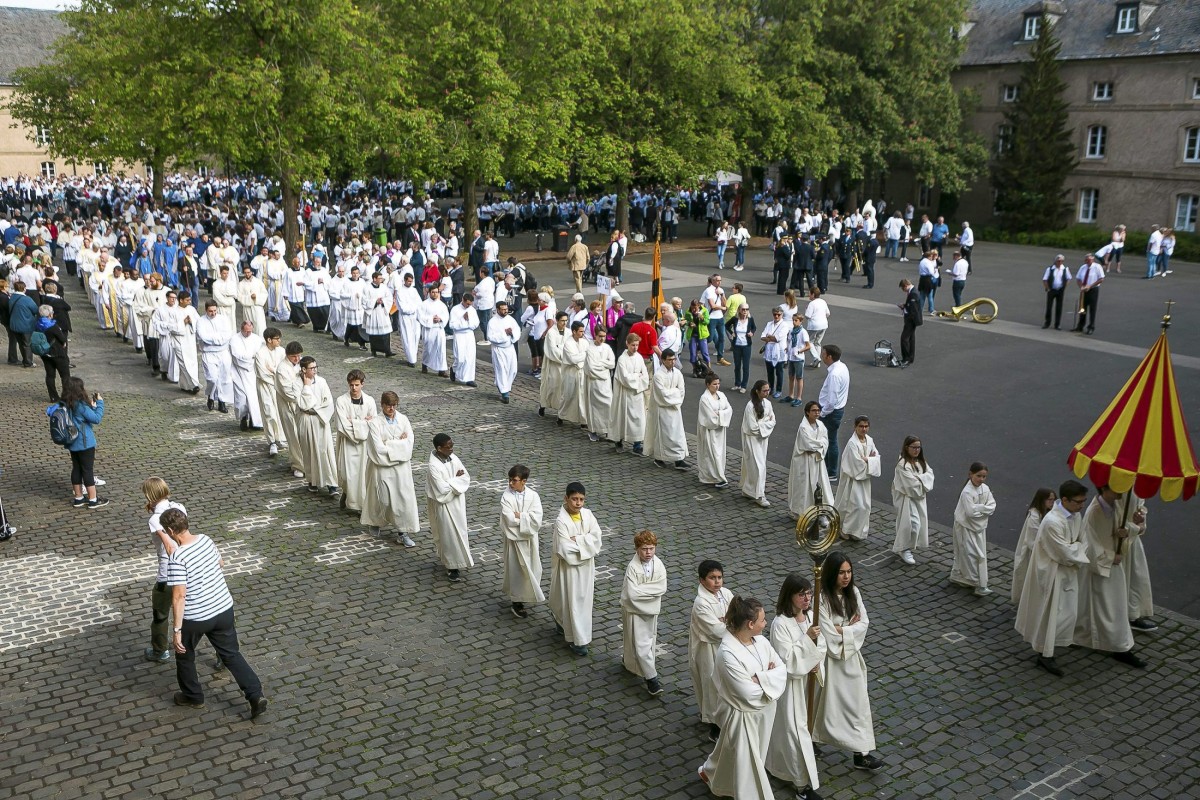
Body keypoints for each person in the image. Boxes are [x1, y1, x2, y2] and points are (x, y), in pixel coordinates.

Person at [162, 508, 268, 721]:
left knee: (184, 653)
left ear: (171, 531)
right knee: (231, 654)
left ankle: (193, 695)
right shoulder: (206, 540)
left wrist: (176, 630)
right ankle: (255, 695)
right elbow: (220, 563)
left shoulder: (177, 557)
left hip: (197, 616)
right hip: (223, 608)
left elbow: (179, 597)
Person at [697, 595, 787, 797]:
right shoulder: (728, 653)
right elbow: (747, 693)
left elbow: (782, 670)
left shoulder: (762, 641)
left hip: (764, 712)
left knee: (733, 752)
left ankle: (712, 774)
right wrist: (769, 678)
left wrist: (759, 678)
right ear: (750, 624)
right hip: (742, 717)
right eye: (763, 620)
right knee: (749, 766)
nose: (766, 623)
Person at [812, 552, 883, 772]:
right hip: (830, 662)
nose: (846, 577)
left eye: (849, 572)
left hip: (851, 660)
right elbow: (827, 633)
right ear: (832, 574)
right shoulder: (821, 598)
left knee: (857, 705)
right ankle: (811, 740)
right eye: (841, 572)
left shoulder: (854, 593)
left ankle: (861, 753)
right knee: (823, 705)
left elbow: (865, 623)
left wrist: (842, 629)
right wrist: (848, 629)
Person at [1014, 480, 1091, 677]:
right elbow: (1064, 552)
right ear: (1064, 500)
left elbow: (1083, 540)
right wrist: (1076, 547)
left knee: (1068, 612)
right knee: (1049, 614)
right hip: (1051, 575)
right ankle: (1044, 652)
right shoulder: (1052, 522)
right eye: (1078, 501)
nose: (1082, 506)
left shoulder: (1076, 515)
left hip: (1067, 572)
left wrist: (1075, 547)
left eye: (1083, 501)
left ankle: (1059, 640)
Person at [765, 574, 827, 800]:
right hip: (790, 687)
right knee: (791, 731)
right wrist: (807, 640)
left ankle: (786, 765)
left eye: (809, 593)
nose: (807, 598)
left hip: (809, 682)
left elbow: (823, 644)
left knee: (801, 728)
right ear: (789, 596)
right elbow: (787, 660)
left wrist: (816, 661)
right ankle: (800, 783)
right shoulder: (780, 624)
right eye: (801, 594)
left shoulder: (812, 616)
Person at [1073, 486, 1148, 669]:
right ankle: (1120, 648)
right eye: (1116, 489)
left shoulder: (1113, 505)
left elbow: (1122, 527)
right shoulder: (1095, 511)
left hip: (1111, 564)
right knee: (1110, 606)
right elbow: (1089, 544)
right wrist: (1109, 557)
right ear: (1105, 489)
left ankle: (1113, 644)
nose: (1120, 493)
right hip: (1102, 565)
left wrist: (1134, 528)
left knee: (1110, 605)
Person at [549, 481, 602, 656]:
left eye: (581, 499)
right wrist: (585, 541)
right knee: (572, 602)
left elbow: (597, 538)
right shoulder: (560, 521)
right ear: (566, 498)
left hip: (586, 569)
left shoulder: (588, 515)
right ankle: (578, 640)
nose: (578, 503)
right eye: (574, 499)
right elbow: (564, 548)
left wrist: (577, 539)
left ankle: (564, 623)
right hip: (569, 570)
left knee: (583, 602)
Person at [360, 391, 418, 548]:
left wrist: (390, 444)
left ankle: (402, 532)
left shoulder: (403, 419)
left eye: (394, 405)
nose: (391, 409)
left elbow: (410, 443)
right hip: (382, 468)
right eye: (388, 406)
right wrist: (399, 443)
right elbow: (378, 448)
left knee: (402, 500)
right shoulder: (374, 423)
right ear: (382, 405)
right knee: (382, 498)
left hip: (401, 468)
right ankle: (375, 522)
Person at [142, 477, 186, 663]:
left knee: (160, 615)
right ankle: (221, 655)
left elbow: (169, 546)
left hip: (167, 575)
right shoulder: (180, 508)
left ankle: (160, 651)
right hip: (187, 570)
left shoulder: (155, 520)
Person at [690, 560, 733, 742]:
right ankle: (714, 726)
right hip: (708, 649)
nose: (717, 582)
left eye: (719, 577)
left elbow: (736, 613)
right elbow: (715, 630)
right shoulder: (701, 603)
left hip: (726, 646)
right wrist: (729, 625)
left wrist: (727, 622)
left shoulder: (726, 594)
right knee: (711, 684)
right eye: (712, 578)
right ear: (702, 580)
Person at [620, 530, 668, 697]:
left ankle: (629, 661)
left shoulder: (659, 565)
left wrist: (642, 591)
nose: (648, 553)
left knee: (648, 641)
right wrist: (651, 595)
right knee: (639, 643)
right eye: (644, 549)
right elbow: (632, 594)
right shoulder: (632, 567)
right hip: (634, 610)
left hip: (650, 611)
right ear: (637, 549)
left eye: (651, 548)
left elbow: (662, 587)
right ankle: (651, 679)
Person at [426, 433, 473, 582]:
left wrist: (451, 482)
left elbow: (465, 478)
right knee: (447, 534)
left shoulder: (454, 458)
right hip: (443, 506)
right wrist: (455, 480)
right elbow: (441, 489)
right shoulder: (433, 466)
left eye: (452, 445)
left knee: (460, 531)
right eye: (448, 447)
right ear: (439, 448)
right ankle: (451, 566)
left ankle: (459, 560)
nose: (452, 449)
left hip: (457, 504)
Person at [500, 464, 545, 618]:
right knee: (516, 570)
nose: (511, 483)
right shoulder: (506, 496)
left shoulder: (533, 496)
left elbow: (537, 519)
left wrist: (520, 516)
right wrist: (525, 517)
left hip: (530, 540)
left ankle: (527, 594)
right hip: (514, 541)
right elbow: (509, 519)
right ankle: (517, 601)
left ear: (524, 481)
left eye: (514, 480)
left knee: (531, 568)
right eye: (510, 480)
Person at [59, 377, 108, 509]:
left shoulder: (64, 403)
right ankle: (93, 499)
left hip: (72, 442)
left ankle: (78, 498)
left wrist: (90, 407)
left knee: (76, 468)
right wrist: (100, 404)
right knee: (87, 470)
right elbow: (96, 419)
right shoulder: (80, 405)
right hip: (85, 443)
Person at [949, 462, 997, 596]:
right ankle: (974, 581)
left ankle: (964, 576)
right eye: (978, 476)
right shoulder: (967, 492)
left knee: (977, 554)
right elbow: (970, 513)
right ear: (970, 475)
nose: (981, 479)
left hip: (978, 528)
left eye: (984, 476)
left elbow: (992, 505)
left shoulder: (985, 489)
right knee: (968, 553)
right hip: (965, 527)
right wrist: (983, 509)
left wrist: (979, 508)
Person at [295, 356, 339, 494]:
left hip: (320, 420)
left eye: (315, 367)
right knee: (309, 451)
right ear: (303, 369)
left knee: (325, 451)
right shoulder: (296, 384)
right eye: (311, 368)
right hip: (306, 419)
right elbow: (304, 404)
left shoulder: (322, 381)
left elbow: (328, 402)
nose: (315, 370)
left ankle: (331, 483)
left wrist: (317, 409)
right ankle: (312, 481)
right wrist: (307, 387)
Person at [334, 369, 376, 513]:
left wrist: (355, 422)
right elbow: (342, 426)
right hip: (348, 443)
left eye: (357, 385)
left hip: (364, 446)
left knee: (362, 475)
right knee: (347, 474)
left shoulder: (369, 401)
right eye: (351, 385)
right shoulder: (341, 401)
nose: (354, 388)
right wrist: (363, 423)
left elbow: (374, 422)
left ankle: (361, 506)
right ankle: (346, 492)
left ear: (362, 384)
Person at [834, 416, 881, 542]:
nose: (863, 429)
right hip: (852, 481)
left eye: (866, 426)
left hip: (864, 482)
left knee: (864, 506)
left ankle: (856, 531)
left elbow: (876, 457)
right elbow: (855, 464)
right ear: (855, 427)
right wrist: (868, 461)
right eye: (861, 426)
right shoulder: (852, 444)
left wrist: (867, 460)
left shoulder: (870, 441)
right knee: (854, 505)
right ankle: (845, 529)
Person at [891, 436, 934, 565]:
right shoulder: (902, 464)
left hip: (917, 498)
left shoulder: (920, 462)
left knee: (913, 523)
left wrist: (919, 478)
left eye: (918, 447)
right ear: (906, 447)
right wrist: (922, 478)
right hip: (906, 498)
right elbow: (911, 485)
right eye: (913, 447)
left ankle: (903, 546)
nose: (916, 450)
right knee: (912, 524)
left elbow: (930, 474)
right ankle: (903, 548)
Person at [1011, 488, 1057, 607]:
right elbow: (1033, 539)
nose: (1052, 502)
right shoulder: (1034, 516)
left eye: (1053, 499)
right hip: (1032, 553)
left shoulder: (1048, 512)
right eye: (1049, 500)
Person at [1117, 494, 1156, 632]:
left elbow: (1140, 510)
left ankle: (1132, 615)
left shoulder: (1136, 489)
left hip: (1131, 541)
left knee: (1135, 578)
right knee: (1120, 582)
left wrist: (1140, 522)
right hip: (1116, 544)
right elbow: (1113, 520)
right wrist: (1135, 528)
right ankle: (1120, 617)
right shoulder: (1115, 490)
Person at [789, 400, 834, 520]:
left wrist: (818, 446)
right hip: (804, 462)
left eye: (818, 410)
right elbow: (807, 444)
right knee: (803, 487)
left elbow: (825, 441)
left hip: (817, 461)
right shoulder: (803, 427)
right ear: (807, 412)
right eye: (814, 410)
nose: (817, 412)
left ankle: (820, 513)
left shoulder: (821, 425)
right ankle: (801, 511)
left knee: (819, 487)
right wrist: (819, 445)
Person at [646, 348, 688, 470]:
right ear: (663, 360)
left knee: (677, 435)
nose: (672, 362)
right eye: (669, 360)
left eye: (674, 359)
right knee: (664, 434)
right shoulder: (658, 376)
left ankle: (679, 459)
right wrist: (674, 393)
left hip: (675, 409)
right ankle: (659, 458)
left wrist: (674, 394)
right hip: (663, 410)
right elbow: (662, 394)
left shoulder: (678, 374)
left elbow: (681, 391)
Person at [739, 380, 776, 508]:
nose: (767, 393)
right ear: (757, 391)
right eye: (764, 390)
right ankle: (759, 494)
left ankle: (749, 489)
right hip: (752, 439)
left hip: (762, 439)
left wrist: (765, 424)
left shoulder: (768, 404)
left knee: (758, 465)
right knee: (757, 466)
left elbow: (773, 420)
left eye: (768, 390)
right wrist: (766, 423)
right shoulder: (750, 406)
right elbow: (752, 427)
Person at [611, 333, 649, 455]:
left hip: (636, 394)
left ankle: (637, 444)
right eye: (633, 345)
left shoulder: (639, 357)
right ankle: (619, 440)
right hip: (625, 394)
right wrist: (637, 376)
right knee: (622, 417)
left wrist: (637, 378)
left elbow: (646, 376)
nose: (635, 348)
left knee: (638, 419)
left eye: (637, 345)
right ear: (627, 344)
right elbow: (625, 378)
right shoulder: (622, 359)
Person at [817, 345, 849, 481]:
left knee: (830, 440)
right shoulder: (842, 367)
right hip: (836, 409)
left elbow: (831, 399)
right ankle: (829, 469)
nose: (821, 355)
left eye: (823, 354)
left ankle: (831, 472)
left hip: (831, 412)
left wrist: (823, 413)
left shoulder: (835, 374)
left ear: (829, 356)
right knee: (830, 439)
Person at [254, 328, 287, 456]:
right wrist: (275, 373)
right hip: (265, 387)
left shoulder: (281, 351)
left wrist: (273, 370)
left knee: (279, 413)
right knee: (269, 413)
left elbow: (283, 369)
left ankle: (280, 438)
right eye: (277, 339)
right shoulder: (260, 354)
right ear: (269, 340)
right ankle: (272, 441)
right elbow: (262, 373)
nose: (279, 341)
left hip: (278, 387)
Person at [197, 300, 234, 413]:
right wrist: (218, 339)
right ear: (206, 310)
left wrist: (214, 339)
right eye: (210, 311)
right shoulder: (201, 321)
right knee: (212, 378)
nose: (213, 313)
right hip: (209, 353)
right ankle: (211, 395)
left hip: (223, 352)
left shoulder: (223, 319)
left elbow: (228, 334)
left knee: (224, 378)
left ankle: (222, 402)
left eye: (214, 311)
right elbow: (203, 337)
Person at [697, 373, 732, 489]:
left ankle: (719, 475)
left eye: (718, 384)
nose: (717, 386)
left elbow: (729, 409)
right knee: (711, 453)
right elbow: (710, 417)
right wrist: (722, 414)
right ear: (708, 385)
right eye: (714, 384)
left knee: (719, 453)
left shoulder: (721, 395)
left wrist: (720, 414)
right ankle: (712, 476)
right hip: (709, 430)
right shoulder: (704, 398)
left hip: (720, 430)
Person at [229, 321, 264, 431]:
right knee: (242, 397)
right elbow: (238, 357)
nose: (248, 333)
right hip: (239, 372)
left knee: (255, 398)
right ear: (241, 329)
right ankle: (243, 418)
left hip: (253, 373)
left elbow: (260, 355)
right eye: (246, 331)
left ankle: (255, 421)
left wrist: (252, 359)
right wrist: (251, 358)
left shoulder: (257, 339)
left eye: (250, 331)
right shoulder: (234, 340)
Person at [583, 325, 615, 442]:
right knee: (594, 407)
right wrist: (604, 366)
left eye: (604, 336)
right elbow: (591, 367)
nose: (602, 339)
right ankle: (593, 430)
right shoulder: (590, 348)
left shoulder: (607, 348)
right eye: (600, 336)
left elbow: (612, 363)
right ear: (595, 335)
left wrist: (600, 364)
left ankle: (607, 429)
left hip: (605, 384)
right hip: (594, 382)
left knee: (609, 405)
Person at [487, 301, 521, 403]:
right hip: (499, 349)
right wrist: (504, 334)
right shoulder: (492, 322)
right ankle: (504, 393)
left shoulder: (511, 319)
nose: (506, 311)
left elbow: (518, 331)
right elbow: (490, 337)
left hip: (509, 348)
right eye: (503, 309)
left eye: (506, 309)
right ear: (498, 310)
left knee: (513, 369)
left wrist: (512, 334)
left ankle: (505, 387)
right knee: (501, 369)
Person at [34, 304, 69, 401]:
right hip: (57, 353)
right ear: (49, 315)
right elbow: (62, 339)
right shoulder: (53, 326)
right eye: (52, 312)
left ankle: (53, 396)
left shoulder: (37, 324)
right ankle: (66, 397)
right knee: (65, 375)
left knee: (50, 375)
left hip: (45, 353)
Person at [557, 321, 589, 427]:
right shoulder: (568, 343)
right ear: (574, 331)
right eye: (580, 331)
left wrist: (583, 356)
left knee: (583, 396)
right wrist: (584, 354)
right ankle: (561, 415)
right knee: (568, 395)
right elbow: (572, 359)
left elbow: (588, 355)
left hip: (582, 372)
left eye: (583, 331)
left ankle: (583, 420)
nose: (583, 333)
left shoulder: (584, 342)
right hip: (570, 373)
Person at [539, 311, 569, 418]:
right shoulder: (551, 333)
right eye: (562, 321)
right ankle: (543, 405)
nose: (564, 323)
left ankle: (561, 411)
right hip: (553, 364)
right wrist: (565, 355)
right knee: (552, 386)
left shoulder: (569, 332)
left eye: (566, 321)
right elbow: (552, 350)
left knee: (563, 388)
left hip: (565, 365)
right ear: (557, 320)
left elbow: (569, 347)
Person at [448, 292, 480, 385]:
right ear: (463, 300)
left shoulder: (472, 310)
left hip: (469, 335)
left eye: (470, 304)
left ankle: (469, 378)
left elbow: (475, 324)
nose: (468, 306)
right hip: (459, 335)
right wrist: (463, 321)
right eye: (467, 304)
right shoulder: (455, 310)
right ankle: (454, 369)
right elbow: (452, 325)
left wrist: (469, 321)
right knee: (460, 358)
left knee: (470, 357)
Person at [361, 271, 394, 357]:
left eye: (381, 278)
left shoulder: (384, 287)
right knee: (374, 333)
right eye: (379, 278)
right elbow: (364, 301)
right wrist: (375, 301)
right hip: (373, 312)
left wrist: (383, 301)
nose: (381, 280)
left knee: (386, 332)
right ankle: (374, 350)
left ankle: (387, 351)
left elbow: (389, 297)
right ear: (374, 279)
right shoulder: (367, 288)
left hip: (382, 312)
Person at [418, 285, 449, 375]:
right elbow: (420, 316)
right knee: (428, 348)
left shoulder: (441, 305)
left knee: (441, 349)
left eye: (437, 292)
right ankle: (425, 364)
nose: (435, 294)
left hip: (439, 329)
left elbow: (446, 316)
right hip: (429, 329)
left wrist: (440, 319)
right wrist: (431, 319)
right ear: (429, 292)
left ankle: (441, 369)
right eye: (433, 292)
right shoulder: (424, 304)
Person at [725, 303, 756, 393]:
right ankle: (737, 384)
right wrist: (732, 333)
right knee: (737, 365)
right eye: (743, 309)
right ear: (739, 310)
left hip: (746, 346)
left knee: (745, 366)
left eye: (747, 309)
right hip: (737, 345)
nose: (745, 311)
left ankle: (744, 385)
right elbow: (726, 325)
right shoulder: (735, 319)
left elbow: (754, 328)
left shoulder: (750, 319)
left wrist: (752, 333)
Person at [1072, 254, 1104, 335]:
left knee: (1092, 309)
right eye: (1086, 260)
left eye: (1089, 260)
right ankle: (1080, 325)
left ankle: (1091, 327)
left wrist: (1090, 286)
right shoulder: (1083, 267)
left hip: (1093, 289)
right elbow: (1078, 278)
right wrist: (1081, 286)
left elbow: (1101, 279)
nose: (1087, 261)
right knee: (1082, 308)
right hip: (1084, 290)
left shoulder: (1097, 267)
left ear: (1092, 260)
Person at [784, 312, 810, 407]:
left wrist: (799, 351)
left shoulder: (803, 332)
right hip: (791, 357)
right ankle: (791, 395)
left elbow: (808, 346)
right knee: (791, 376)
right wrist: (787, 348)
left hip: (798, 358)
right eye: (793, 320)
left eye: (796, 321)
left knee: (799, 378)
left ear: (800, 321)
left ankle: (798, 397)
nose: (794, 322)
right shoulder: (791, 331)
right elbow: (789, 342)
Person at [1042, 254, 1072, 330]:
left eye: (1061, 261)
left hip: (1060, 290)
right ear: (1055, 261)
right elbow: (1045, 279)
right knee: (1049, 307)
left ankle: (1057, 324)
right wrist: (1047, 288)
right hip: (1051, 290)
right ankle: (1047, 322)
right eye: (1058, 261)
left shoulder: (1065, 269)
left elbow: (1069, 278)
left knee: (1059, 307)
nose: (1060, 262)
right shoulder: (1050, 269)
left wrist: (1065, 286)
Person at [897, 278, 922, 367]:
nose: (903, 291)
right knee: (911, 339)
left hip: (911, 320)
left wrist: (905, 309)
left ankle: (906, 358)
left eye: (903, 289)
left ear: (906, 286)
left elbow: (913, 310)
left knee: (904, 339)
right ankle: (910, 358)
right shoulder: (913, 292)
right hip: (913, 320)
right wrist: (905, 305)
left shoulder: (913, 294)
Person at [803, 288, 829, 370]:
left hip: (814, 325)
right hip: (824, 325)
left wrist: (806, 309)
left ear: (813, 294)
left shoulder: (811, 304)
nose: (809, 295)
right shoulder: (823, 301)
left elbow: (808, 316)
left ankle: (816, 358)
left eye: (809, 294)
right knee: (817, 342)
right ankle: (816, 362)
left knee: (809, 341)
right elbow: (828, 313)